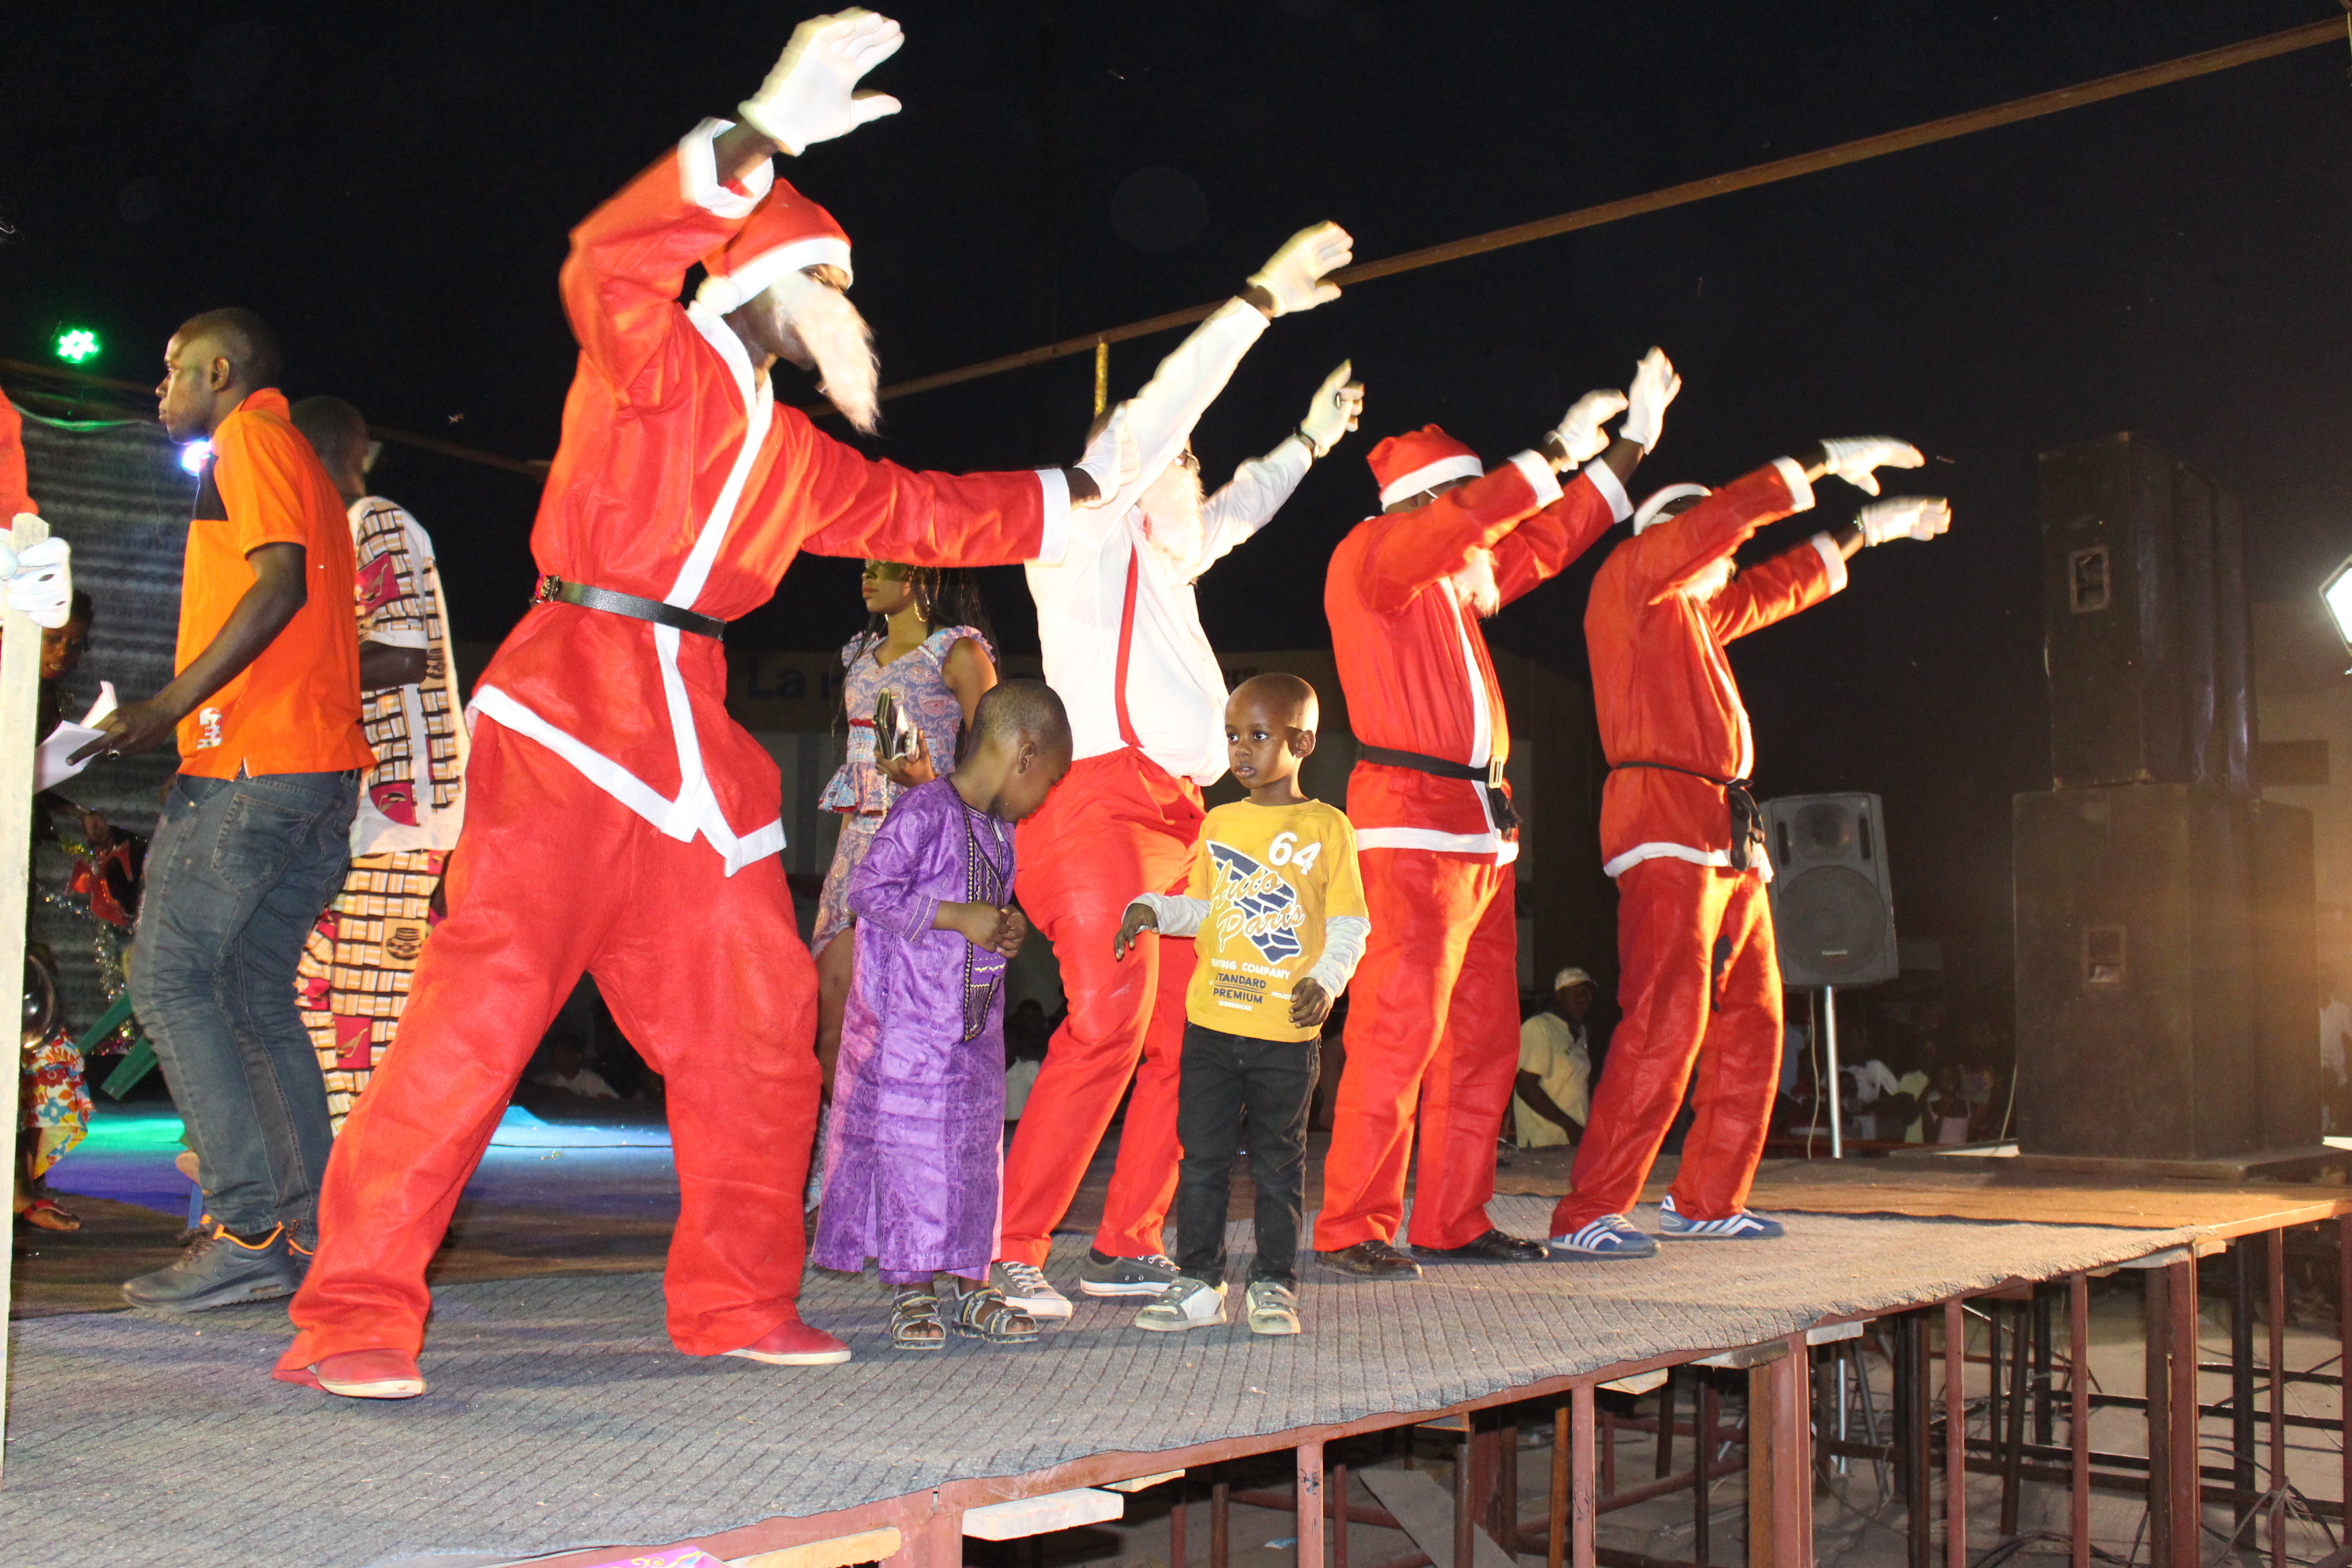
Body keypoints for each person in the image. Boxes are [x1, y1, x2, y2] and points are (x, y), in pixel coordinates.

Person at [276, 10, 1139, 1400]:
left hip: (694, 747)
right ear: (765, 272)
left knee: (757, 1021)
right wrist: (760, 130)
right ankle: (354, 1317)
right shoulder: (653, 357)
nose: (848, 309)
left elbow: (929, 511)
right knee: (475, 1026)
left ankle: (737, 1297)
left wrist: (1087, 491)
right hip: (569, 716)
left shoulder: (795, 453)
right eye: (830, 283)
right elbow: (604, 258)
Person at [998, 223, 1364, 1320]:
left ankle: (1126, 1241)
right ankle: (1005, 1252)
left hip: (1179, 820)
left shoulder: (1167, 561)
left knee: (1183, 1041)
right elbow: (1165, 414)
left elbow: (1242, 508)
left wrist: (1306, 441)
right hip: (1092, 805)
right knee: (1108, 1024)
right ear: (1139, 461)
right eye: (1179, 456)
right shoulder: (1079, 531)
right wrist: (1255, 302)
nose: (1193, 469)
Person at [1312, 351, 1675, 1279]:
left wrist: (1632, 446)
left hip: (1479, 832)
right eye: (1469, 500)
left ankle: (1452, 1218)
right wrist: (1553, 446)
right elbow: (1489, 516)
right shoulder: (1372, 559)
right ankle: (1354, 1224)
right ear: (1430, 503)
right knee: (1398, 1030)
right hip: (1410, 829)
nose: (1487, 520)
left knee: (1483, 1040)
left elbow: (1549, 538)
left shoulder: (1449, 580)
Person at [1548, 437, 1950, 1258]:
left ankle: (1706, 1198)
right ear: (1669, 535)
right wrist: (1821, 459)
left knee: (1758, 1020)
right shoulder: (1629, 586)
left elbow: (1782, 586)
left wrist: (1867, 529)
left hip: (1726, 831)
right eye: (1708, 538)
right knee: (1666, 1018)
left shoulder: (1692, 618)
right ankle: (1590, 1210)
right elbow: (1726, 522)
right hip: (1663, 820)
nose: (1730, 556)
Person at [67, 308, 372, 1311]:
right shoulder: (294, 459)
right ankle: (304, 1232)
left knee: (167, 982)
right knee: (250, 998)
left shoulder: (249, 439)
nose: (160, 390)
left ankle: (246, 1226)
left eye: (171, 372)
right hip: (313, 777)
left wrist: (168, 706)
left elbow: (276, 588)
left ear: (221, 369)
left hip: (254, 768)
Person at [811, 679, 1071, 1349]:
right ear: (1024, 754)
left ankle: (971, 1285)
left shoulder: (1000, 832)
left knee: (973, 1160)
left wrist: (1005, 930)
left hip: (973, 1033)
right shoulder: (924, 813)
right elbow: (869, 893)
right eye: (1049, 780)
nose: (1045, 798)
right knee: (913, 1158)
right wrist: (957, 917)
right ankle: (913, 1290)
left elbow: (987, 914)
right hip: (909, 1034)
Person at [1113, 674, 1367, 1336]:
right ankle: (1200, 1282)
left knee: (1281, 1164)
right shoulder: (1221, 822)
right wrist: (1152, 908)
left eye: (1258, 735)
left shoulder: (1326, 827)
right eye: (1233, 736)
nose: (1241, 750)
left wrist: (1329, 978)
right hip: (1213, 1028)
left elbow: (1348, 922)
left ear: (1303, 740)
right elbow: (1207, 908)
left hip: (1285, 1033)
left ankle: (1274, 1285)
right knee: (1202, 1162)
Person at [287, 397, 468, 1132]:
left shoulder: (376, 521)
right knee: (310, 1001)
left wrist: (276, 667)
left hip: (400, 817)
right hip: (358, 820)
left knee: (369, 1023)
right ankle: (332, 1193)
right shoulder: (338, 536)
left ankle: (381, 1206)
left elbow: (399, 654)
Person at [809, 563, 996, 1170]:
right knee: (833, 1022)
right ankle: (839, 1170)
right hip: (858, 848)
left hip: (926, 850)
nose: (866, 574)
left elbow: (994, 767)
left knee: (912, 1030)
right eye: (861, 563)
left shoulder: (960, 652)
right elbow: (854, 772)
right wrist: (840, 871)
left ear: (923, 573)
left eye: (883, 563)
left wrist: (927, 784)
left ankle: (912, 1172)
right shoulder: (860, 652)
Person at [1514, 967, 1596, 1149]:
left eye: (1587, 994)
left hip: (1572, 1139)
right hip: (1544, 1142)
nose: (1583, 1000)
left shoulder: (1579, 1031)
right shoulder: (1540, 1027)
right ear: (1559, 996)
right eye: (1576, 993)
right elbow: (1526, 1086)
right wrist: (1569, 1126)